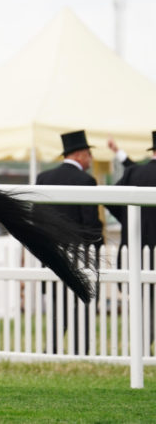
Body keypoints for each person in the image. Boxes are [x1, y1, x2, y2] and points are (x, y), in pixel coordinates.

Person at [36, 130, 102, 354]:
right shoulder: (86, 181)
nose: (90, 160)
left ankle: (53, 347)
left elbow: (35, 219)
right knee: (81, 304)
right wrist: (96, 251)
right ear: (80, 155)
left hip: (51, 253)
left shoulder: (43, 178)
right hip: (78, 254)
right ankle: (80, 349)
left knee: (57, 306)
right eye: (89, 154)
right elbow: (91, 223)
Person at [106, 132, 156, 345]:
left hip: (135, 250)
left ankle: (144, 345)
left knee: (142, 303)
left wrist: (127, 219)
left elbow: (109, 200)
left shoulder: (134, 173)